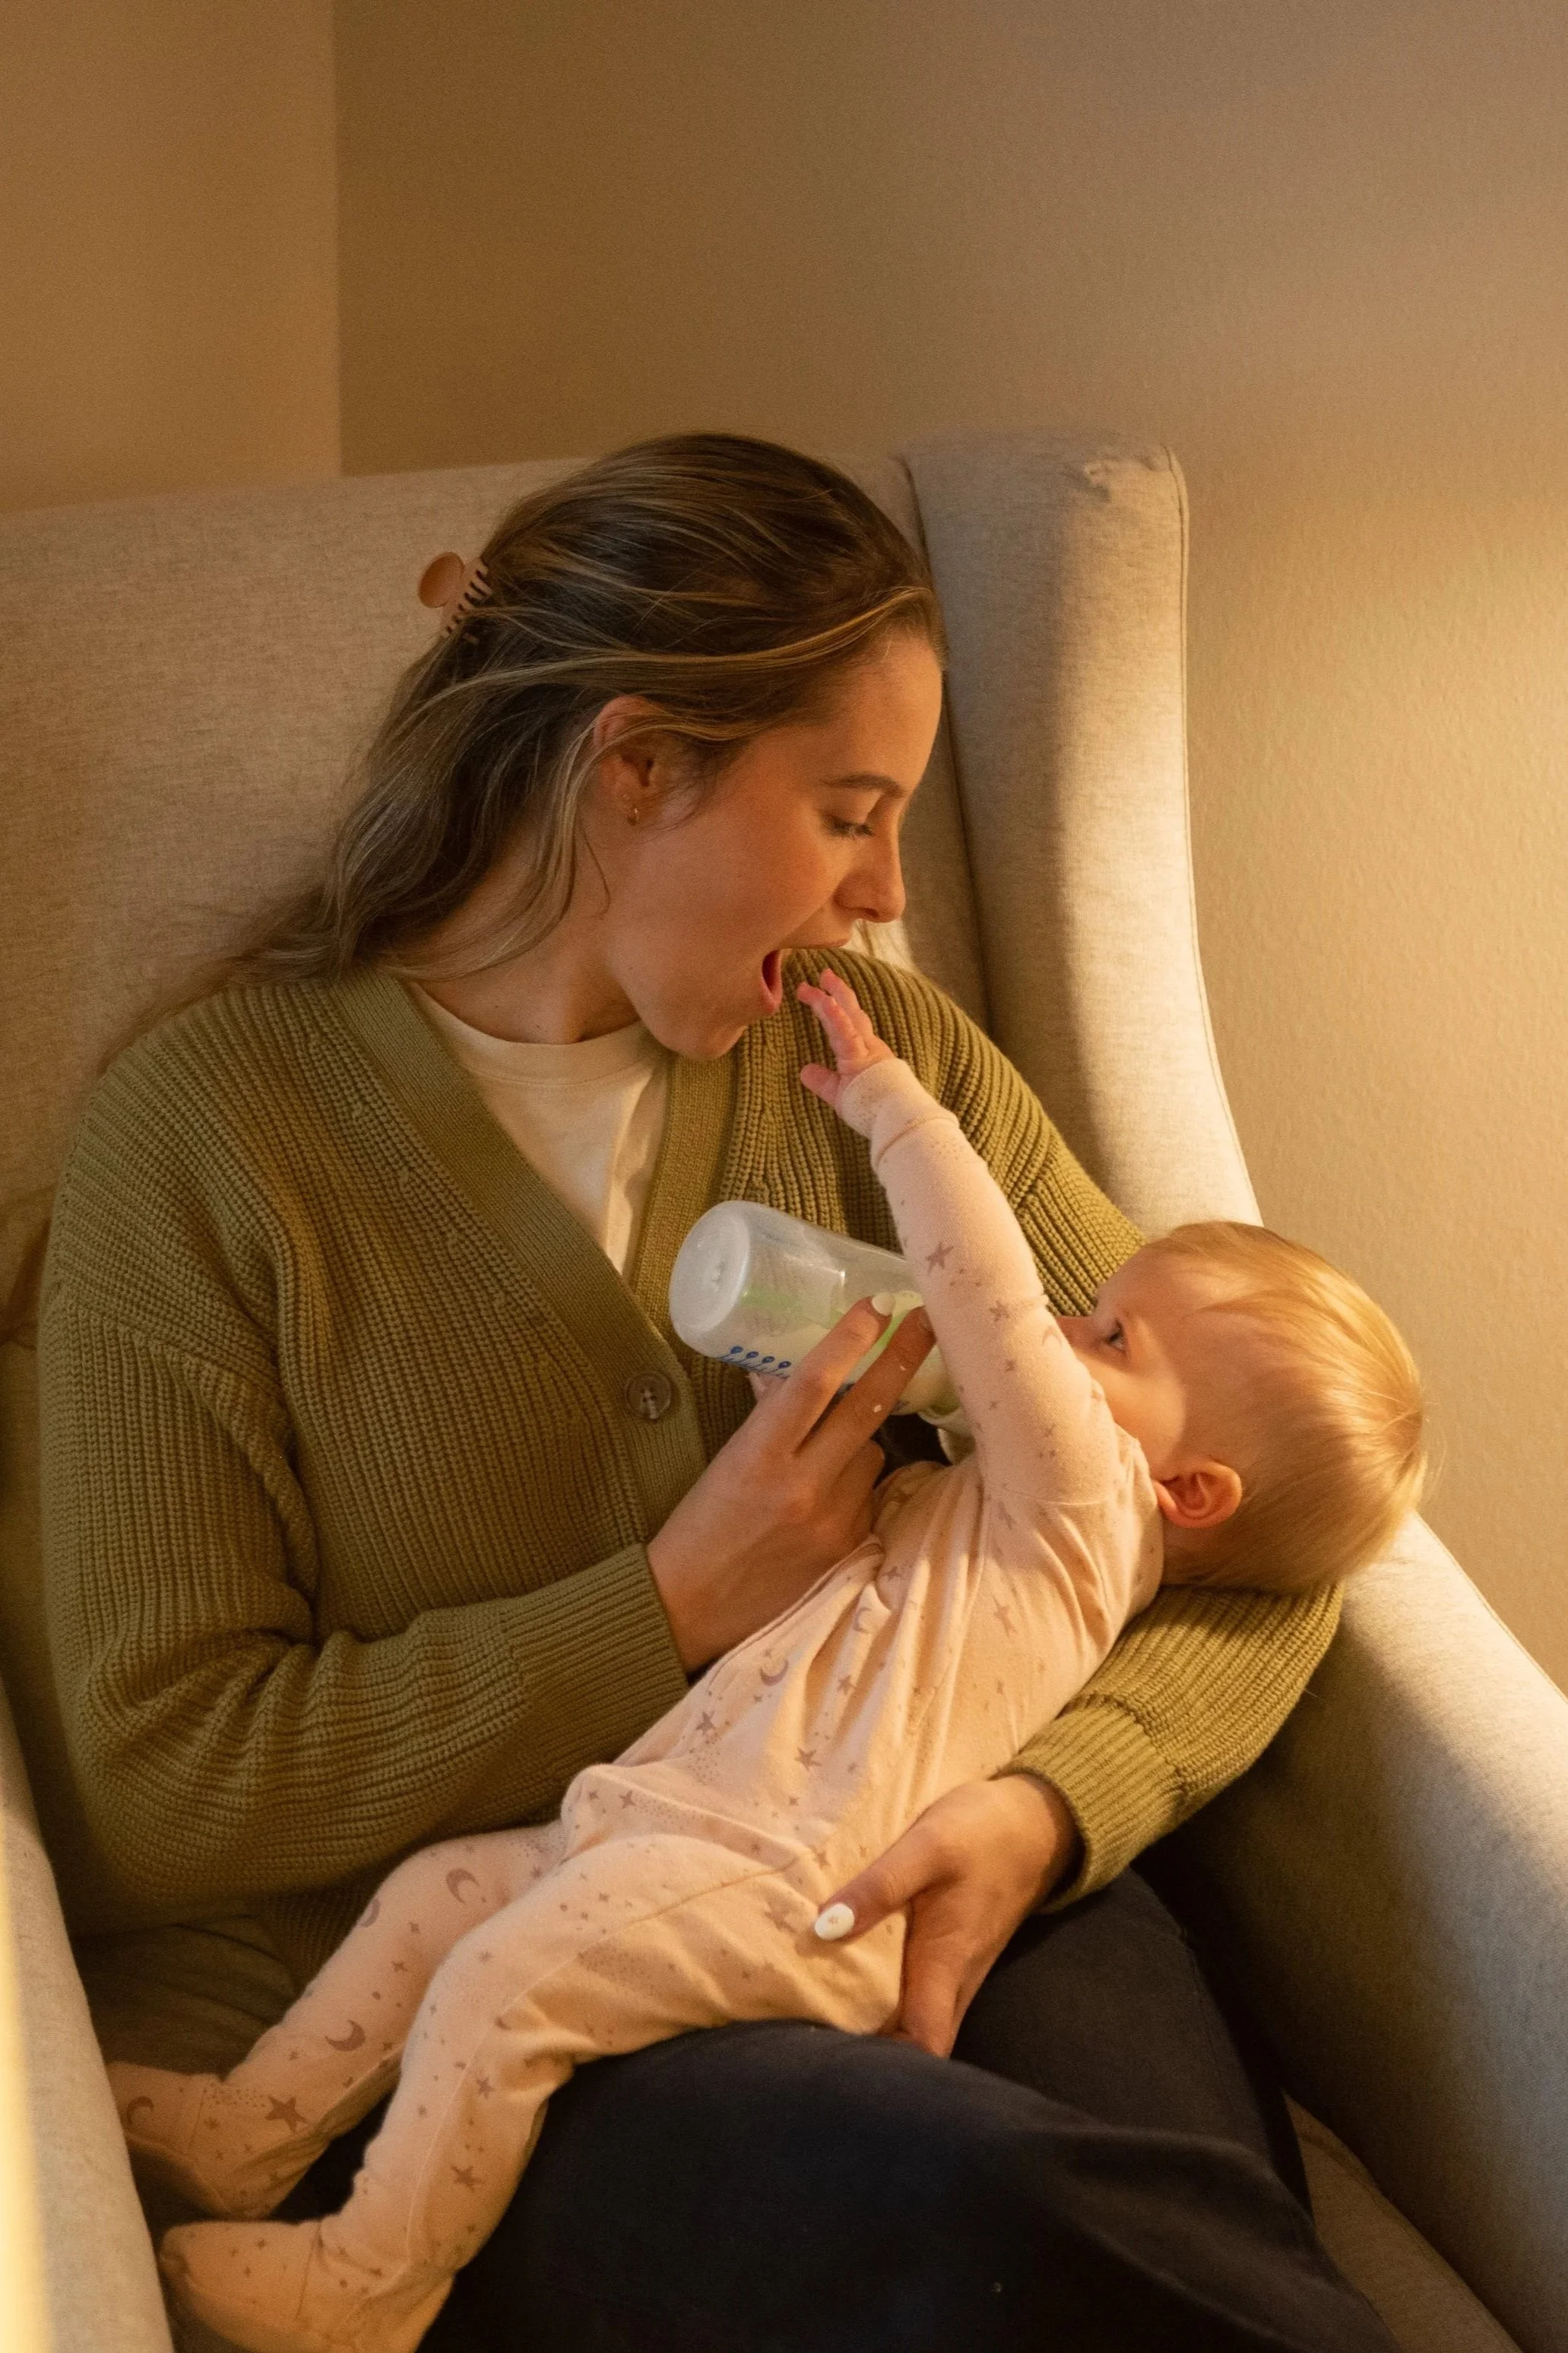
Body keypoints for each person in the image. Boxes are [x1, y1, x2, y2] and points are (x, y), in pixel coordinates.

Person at [43, 433, 1399, 2350]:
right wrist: (663, 1606)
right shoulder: (208, 1142)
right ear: (636, 764)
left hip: (944, 1855)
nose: (885, 893)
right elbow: (164, 1776)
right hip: (541, 1973)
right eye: (849, 811)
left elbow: (1251, 1509)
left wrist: (1048, 1804)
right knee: (984, 2213)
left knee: (1175, 2206)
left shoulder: (881, 1064)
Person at [111, 966, 1424, 2353]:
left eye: (1106, 1335)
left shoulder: (1083, 1505)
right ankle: (254, 2124)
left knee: (509, 1979)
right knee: (435, 1898)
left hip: (785, 1880)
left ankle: (367, 2282)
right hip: (667, 1813)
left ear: (1189, 1492)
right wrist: (787, 1393)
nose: (1061, 1327)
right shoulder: (992, 1502)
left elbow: (984, 1294)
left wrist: (896, 1114)